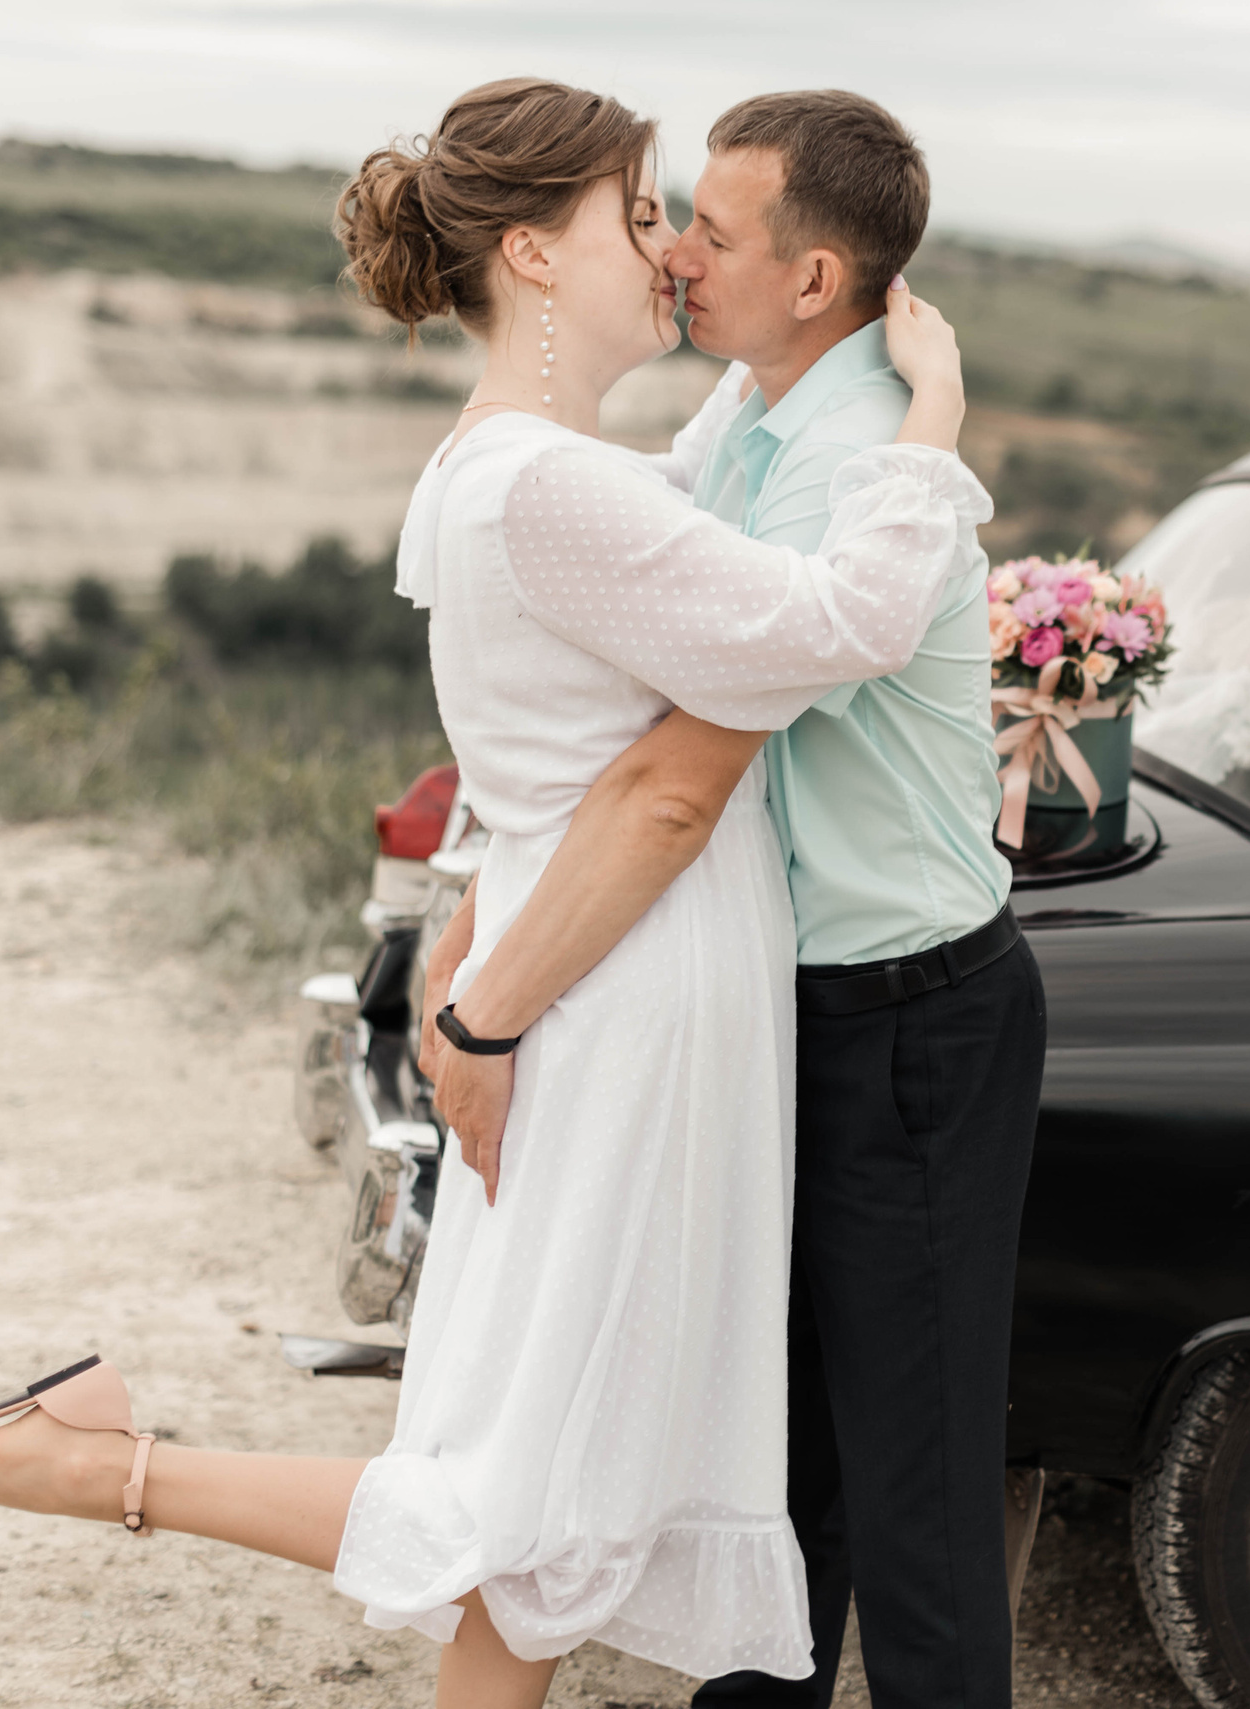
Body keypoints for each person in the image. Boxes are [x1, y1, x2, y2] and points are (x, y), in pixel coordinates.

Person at [0, 77, 990, 1709]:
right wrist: (931, 420)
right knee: (536, 1498)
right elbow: (832, 625)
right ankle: (100, 1464)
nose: (665, 247)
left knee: (543, 1480)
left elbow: (686, 504)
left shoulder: (518, 465)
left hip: (597, 978)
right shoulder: (553, 486)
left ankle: (102, 1458)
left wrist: (780, 365)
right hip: (630, 997)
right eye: (637, 214)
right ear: (533, 251)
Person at [430, 92, 1045, 1709]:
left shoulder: (856, 459)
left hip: (908, 1012)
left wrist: (934, 422)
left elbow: (685, 763)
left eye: (709, 227)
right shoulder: (757, 421)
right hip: (792, 1003)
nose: (679, 253)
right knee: (777, 1471)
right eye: (667, 216)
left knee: (913, 1493)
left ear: (816, 277)